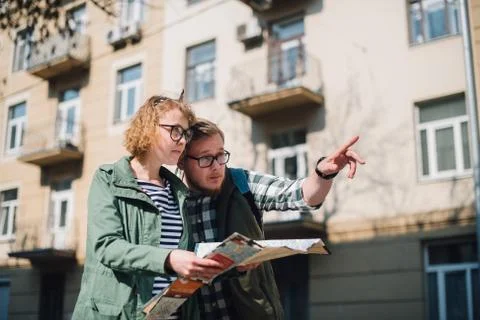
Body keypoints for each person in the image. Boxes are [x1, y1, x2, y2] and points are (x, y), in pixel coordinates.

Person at [177, 119, 365, 320]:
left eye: (221, 155)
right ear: (181, 161)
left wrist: (323, 174)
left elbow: (299, 194)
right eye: (205, 159)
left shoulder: (242, 183)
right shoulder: (170, 198)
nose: (216, 166)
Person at [72, 96, 225, 320]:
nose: (182, 140)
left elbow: (188, 262)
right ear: (148, 127)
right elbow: (106, 247)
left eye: (185, 133)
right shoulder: (109, 179)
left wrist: (229, 266)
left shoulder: (178, 191)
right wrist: (168, 259)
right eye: (175, 130)